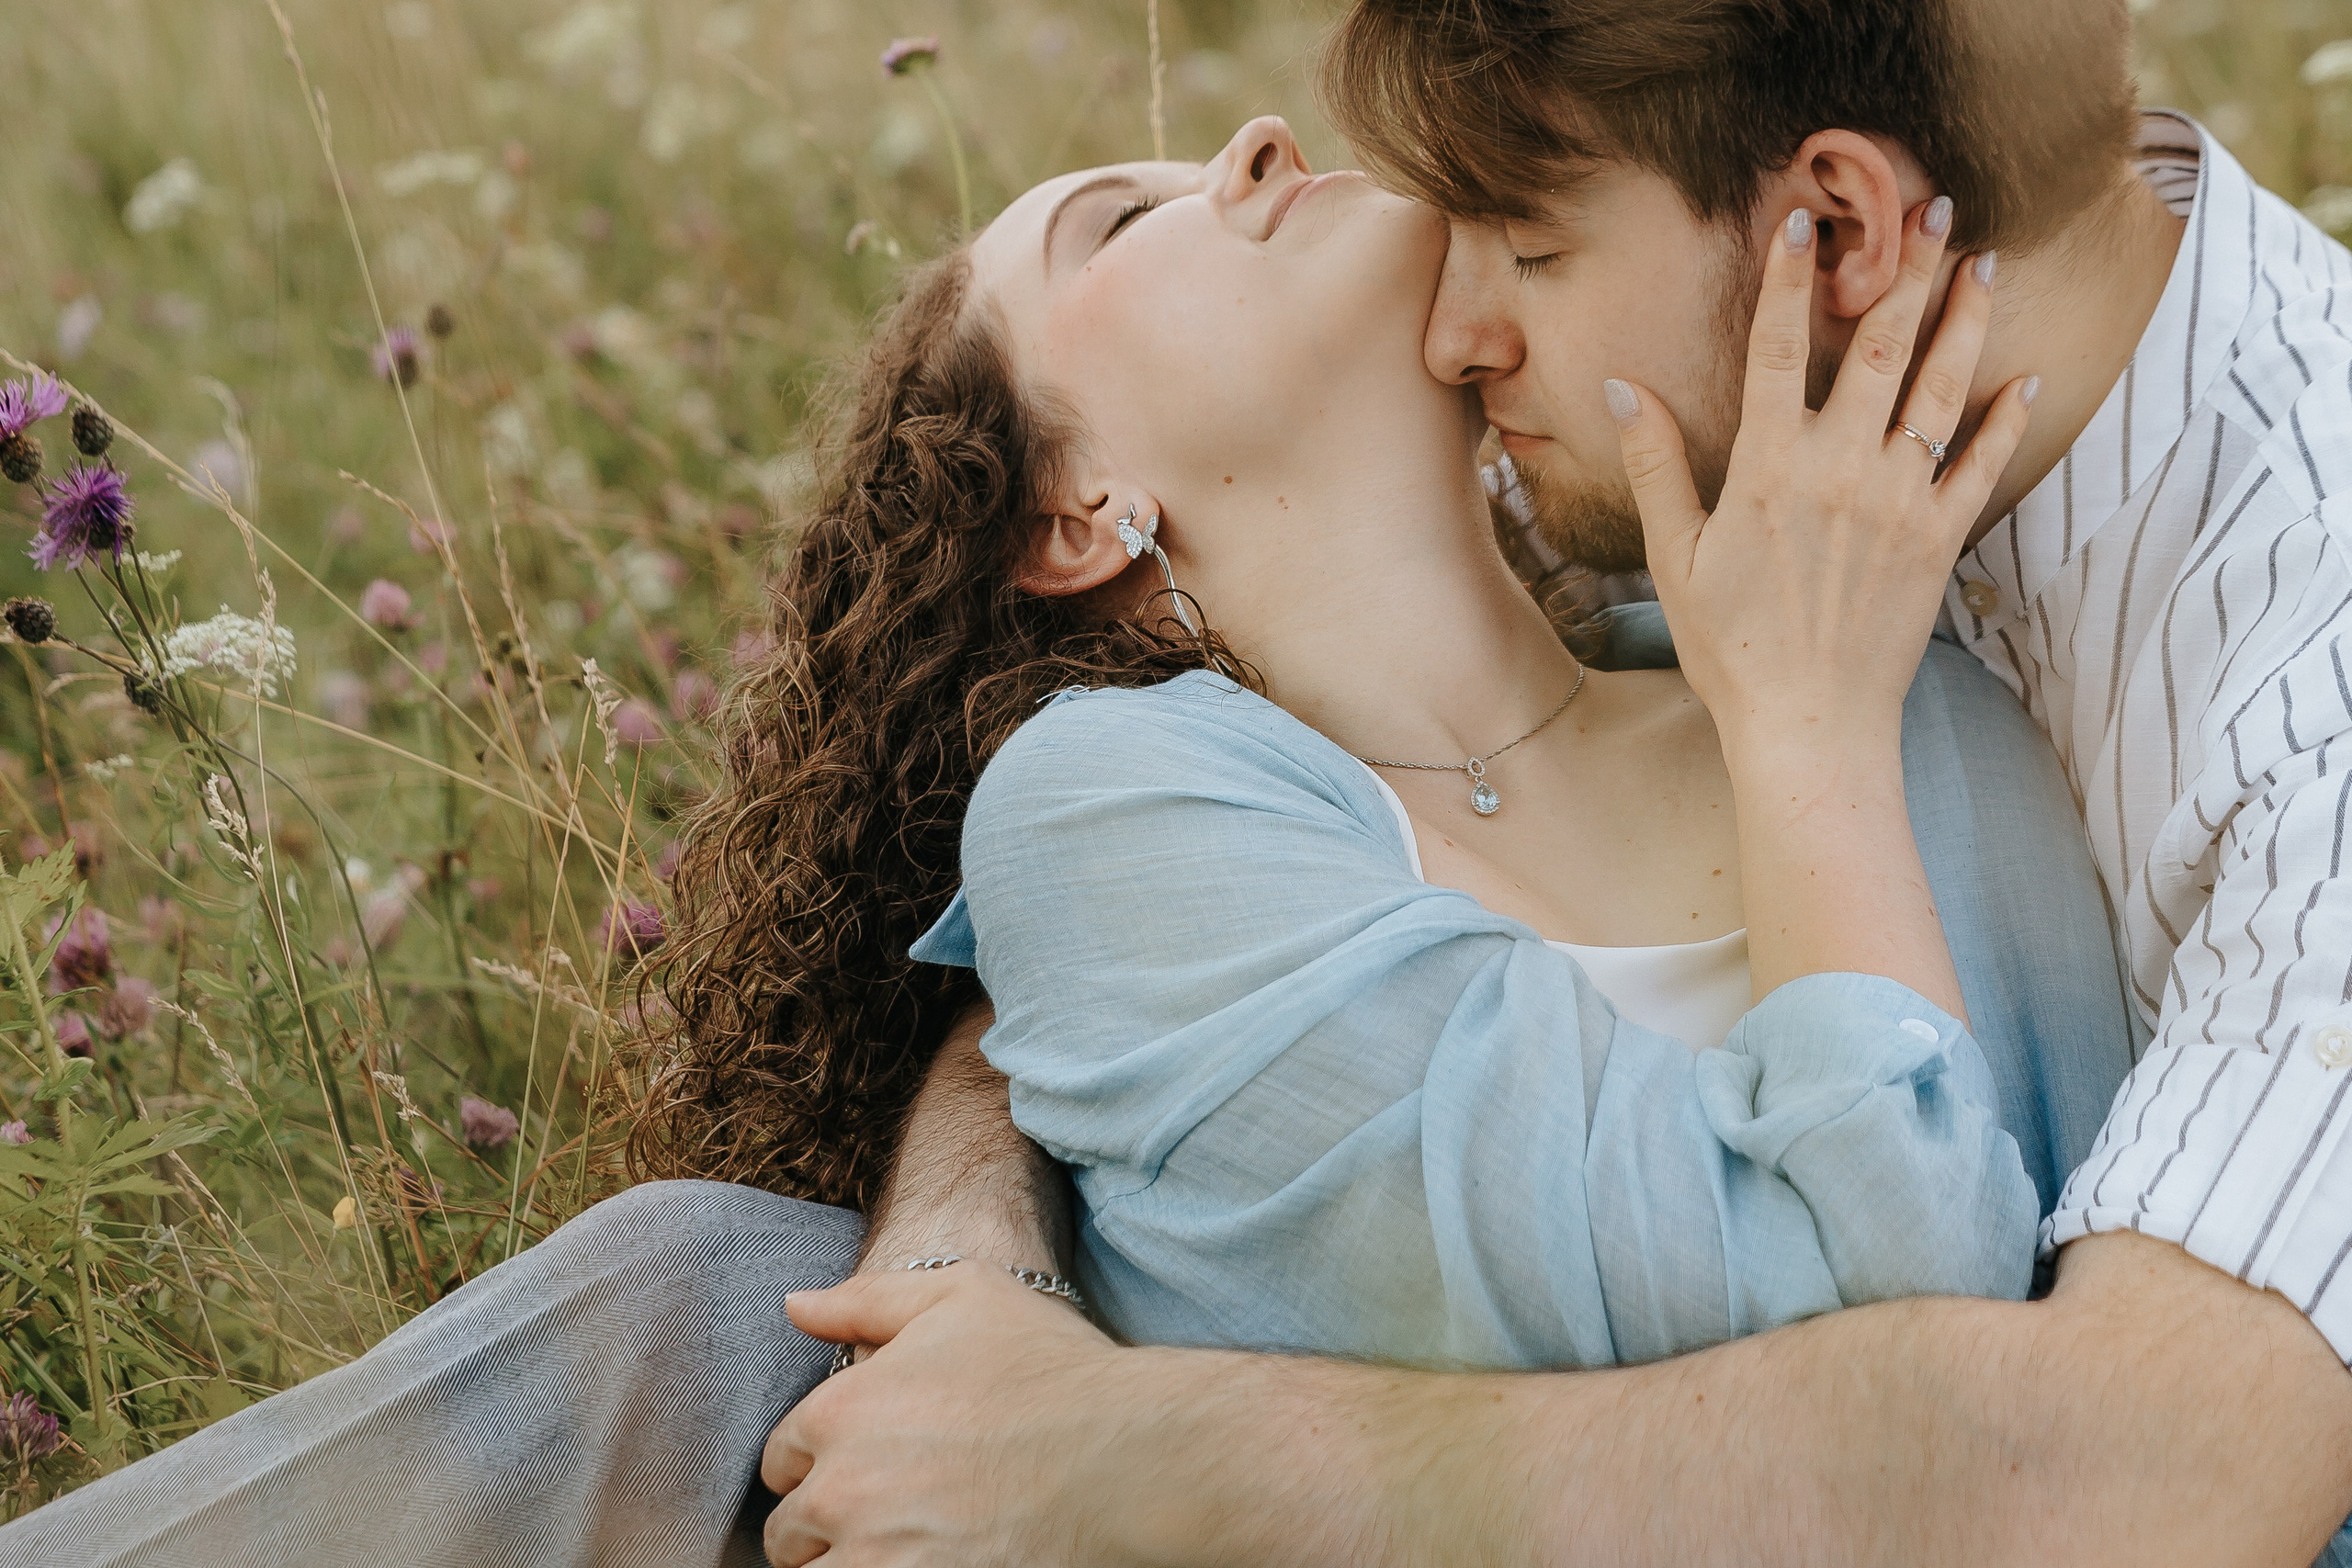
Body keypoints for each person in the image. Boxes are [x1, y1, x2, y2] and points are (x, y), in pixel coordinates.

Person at [2, 109, 2132, 1568]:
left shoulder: (1893, 664)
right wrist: (1813, 743)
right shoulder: (1126, 819)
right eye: (1116, 225)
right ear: (1072, 512)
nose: (1256, 146)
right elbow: (1920, 1319)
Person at [761, 2, 2352, 1565]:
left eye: (1526, 240)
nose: (1462, 326)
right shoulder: (1782, 549)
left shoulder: (2131, 668)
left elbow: (2115, 1482)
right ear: (1071, 511)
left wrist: (1112, 1452)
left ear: (1840, 233)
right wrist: (976, 1239)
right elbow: (1134, 943)